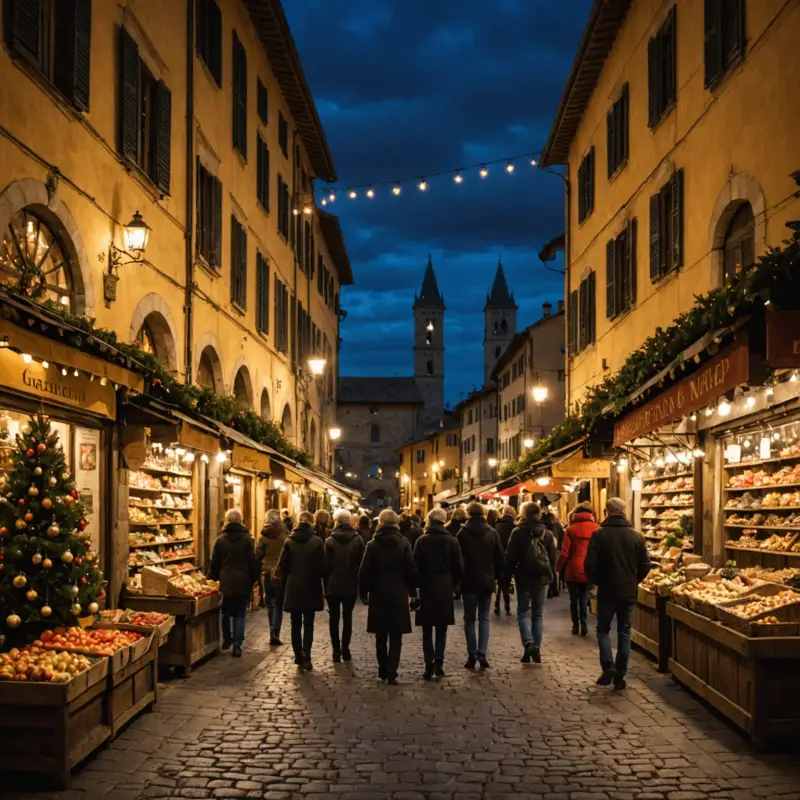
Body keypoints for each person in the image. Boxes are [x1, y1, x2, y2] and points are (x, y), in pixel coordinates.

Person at [585, 497, 651, 690]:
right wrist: (634, 579)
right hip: (628, 590)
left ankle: (608, 665)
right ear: (624, 512)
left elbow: (589, 565)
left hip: (607, 590)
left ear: (607, 512)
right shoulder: (637, 536)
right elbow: (645, 565)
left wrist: (599, 580)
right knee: (625, 631)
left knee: (603, 629)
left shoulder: (599, 535)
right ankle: (620, 674)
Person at [358, 508, 419, 685]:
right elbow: (411, 570)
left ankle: (382, 669)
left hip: (378, 593)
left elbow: (364, 572)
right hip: (398, 592)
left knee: (380, 634)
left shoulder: (372, 545)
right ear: (397, 524)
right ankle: (392, 671)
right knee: (396, 634)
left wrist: (364, 592)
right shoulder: (404, 544)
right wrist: (413, 592)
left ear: (380, 524)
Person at [504, 501, 557, 664]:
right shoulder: (547, 534)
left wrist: (506, 579)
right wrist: (552, 577)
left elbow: (510, 558)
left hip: (524, 577)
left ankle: (528, 643)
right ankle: (537, 648)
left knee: (522, 613)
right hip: (541, 578)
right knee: (537, 614)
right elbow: (552, 559)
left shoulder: (517, 532)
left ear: (524, 514)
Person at [413, 508, 464, 679]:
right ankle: (439, 662)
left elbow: (415, 566)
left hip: (426, 587)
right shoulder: (452, 541)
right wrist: (454, 585)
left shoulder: (422, 540)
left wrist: (415, 588)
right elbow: (459, 567)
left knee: (427, 630)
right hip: (444, 586)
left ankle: (429, 664)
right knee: (441, 628)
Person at [276, 510, 327, 670]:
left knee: (295, 623)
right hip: (311, 586)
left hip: (294, 587)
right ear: (311, 523)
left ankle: (298, 654)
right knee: (309, 623)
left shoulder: (289, 542)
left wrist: (281, 583)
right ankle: (307, 655)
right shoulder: (317, 542)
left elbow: (282, 567)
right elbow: (323, 568)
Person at [456, 502, 505, 669]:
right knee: (484, 617)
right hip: (486, 580)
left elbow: (458, 558)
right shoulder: (492, 533)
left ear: (468, 513)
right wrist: (496, 577)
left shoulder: (462, 533)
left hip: (468, 580)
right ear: (483, 514)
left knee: (469, 619)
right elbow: (500, 558)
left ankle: (472, 654)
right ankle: (482, 652)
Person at [209, 508, 259, 657]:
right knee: (240, 613)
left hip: (226, 579)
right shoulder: (247, 540)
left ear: (226, 521)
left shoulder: (220, 539)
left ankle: (227, 638)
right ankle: (237, 644)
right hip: (243, 579)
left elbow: (215, 562)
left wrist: (212, 578)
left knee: (225, 611)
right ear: (240, 521)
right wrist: (254, 578)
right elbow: (252, 561)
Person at [324, 509, 365, 662]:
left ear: (337, 521)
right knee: (347, 618)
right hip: (350, 584)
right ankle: (345, 649)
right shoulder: (358, 540)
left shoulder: (329, 541)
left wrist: (325, 585)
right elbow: (361, 564)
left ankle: (335, 651)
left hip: (333, 585)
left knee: (334, 618)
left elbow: (325, 567)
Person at [557, 502, 600, 637]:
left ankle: (575, 625)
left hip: (573, 568)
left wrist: (559, 568)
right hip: (589, 568)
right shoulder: (597, 529)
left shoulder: (570, 529)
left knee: (573, 599)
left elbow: (564, 552)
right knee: (583, 597)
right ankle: (585, 624)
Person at [256, 508, 288, 646]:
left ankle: (271, 631)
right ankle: (276, 631)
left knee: (271, 603)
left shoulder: (263, 536)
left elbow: (258, 555)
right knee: (279, 604)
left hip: (268, 572)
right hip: (280, 572)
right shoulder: (285, 535)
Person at [493, 505, 516, 616]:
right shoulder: (513, 528)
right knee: (504, 582)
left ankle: (498, 603)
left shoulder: (496, 526)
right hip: (509, 557)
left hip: (497, 557)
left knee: (501, 582)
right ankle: (505, 605)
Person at [542, 506, 566, 598]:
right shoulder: (558, 525)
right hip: (555, 549)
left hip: (545, 548)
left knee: (548, 566)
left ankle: (549, 590)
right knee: (553, 567)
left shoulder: (544, 527)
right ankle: (554, 589)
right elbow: (562, 537)